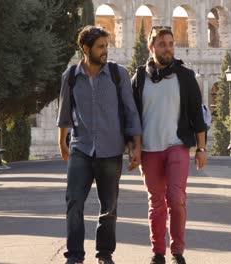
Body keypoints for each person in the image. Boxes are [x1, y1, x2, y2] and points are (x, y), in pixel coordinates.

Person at [57, 26, 142, 264]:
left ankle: (104, 254)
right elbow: (64, 113)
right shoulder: (71, 76)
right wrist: (62, 142)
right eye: (100, 47)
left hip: (111, 149)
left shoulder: (118, 74)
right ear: (86, 49)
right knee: (74, 201)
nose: (106, 51)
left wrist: (136, 146)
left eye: (107, 46)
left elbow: (131, 111)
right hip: (81, 148)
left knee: (109, 207)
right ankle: (74, 255)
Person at [131, 25, 207, 264]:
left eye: (171, 44)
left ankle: (177, 252)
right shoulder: (140, 77)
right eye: (162, 44)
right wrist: (134, 147)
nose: (168, 48)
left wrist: (201, 148)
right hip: (149, 149)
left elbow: (197, 114)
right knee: (156, 202)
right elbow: (132, 116)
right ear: (152, 47)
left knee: (176, 198)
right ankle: (158, 252)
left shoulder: (185, 76)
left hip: (177, 145)